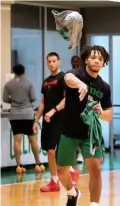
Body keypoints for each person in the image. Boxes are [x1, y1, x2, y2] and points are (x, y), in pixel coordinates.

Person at [57, 45, 113, 206]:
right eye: (94, 57)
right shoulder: (77, 74)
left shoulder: (104, 87)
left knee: (95, 167)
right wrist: (81, 85)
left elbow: (109, 116)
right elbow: (68, 78)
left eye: (100, 59)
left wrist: (101, 112)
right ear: (86, 59)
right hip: (69, 130)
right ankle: (72, 192)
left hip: (91, 133)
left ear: (103, 63)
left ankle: (94, 204)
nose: (97, 61)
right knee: (62, 171)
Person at [33, 52, 78, 192]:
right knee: (50, 151)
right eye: (49, 61)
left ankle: (70, 171)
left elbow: (67, 99)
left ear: (59, 62)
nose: (51, 64)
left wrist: (53, 110)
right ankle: (54, 181)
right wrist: (36, 120)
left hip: (61, 120)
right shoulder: (46, 81)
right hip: (48, 121)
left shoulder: (64, 78)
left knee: (57, 152)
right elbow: (42, 102)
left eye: (54, 61)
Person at [3, 64, 44, 174]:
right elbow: (34, 98)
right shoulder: (29, 83)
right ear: (24, 72)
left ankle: (18, 166)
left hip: (14, 114)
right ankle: (38, 164)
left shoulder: (8, 84)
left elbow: (5, 99)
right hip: (27, 114)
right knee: (32, 139)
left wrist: (14, 101)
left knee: (17, 140)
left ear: (14, 72)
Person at [71, 55, 84, 164]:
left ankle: (81, 153)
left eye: (77, 62)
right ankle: (74, 153)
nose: (75, 63)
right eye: (74, 62)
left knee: (81, 131)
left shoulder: (84, 74)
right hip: (72, 107)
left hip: (82, 106)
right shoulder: (69, 75)